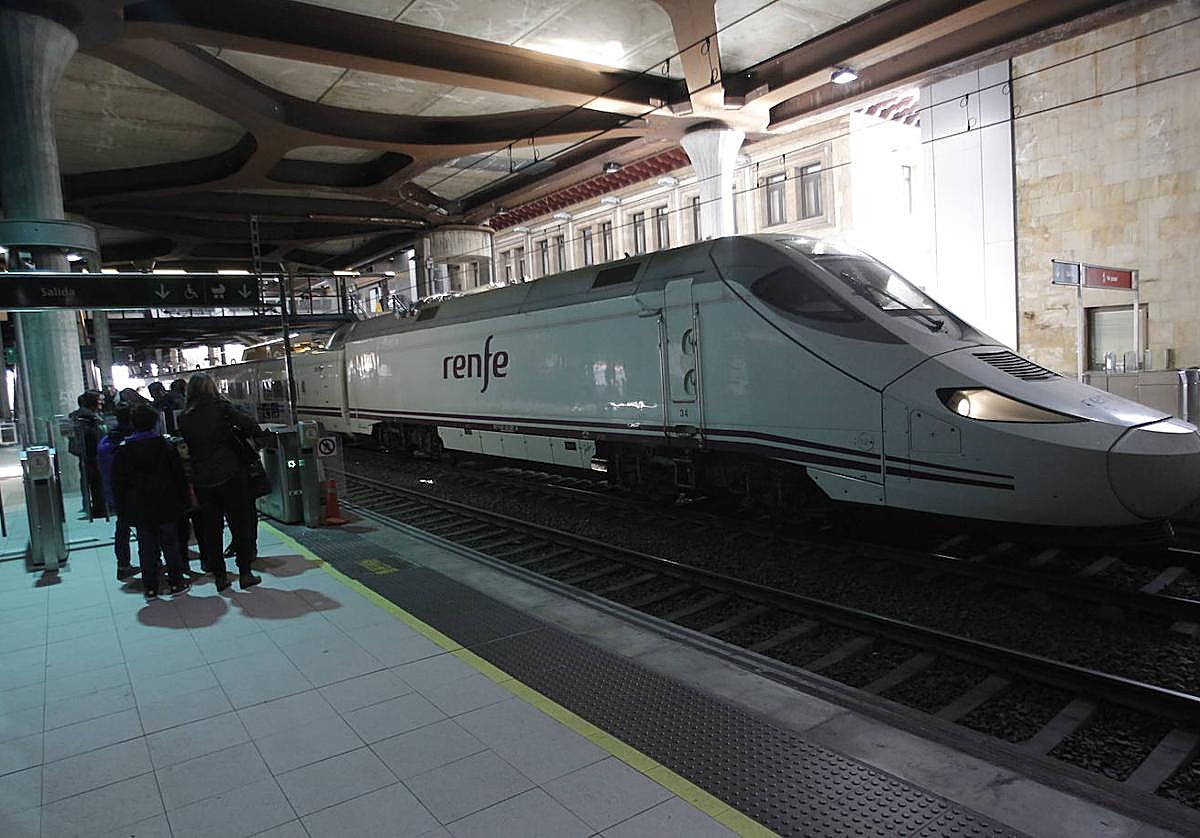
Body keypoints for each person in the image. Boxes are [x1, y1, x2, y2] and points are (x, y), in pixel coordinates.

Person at [178, 372, 262, 592]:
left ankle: (220, 577)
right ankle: (245, 573)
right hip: (231, 474)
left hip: (203, 479)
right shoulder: (222, 409)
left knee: (211, 529)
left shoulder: (184, 416)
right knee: (239, 523)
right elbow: (251, 426)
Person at [113, 404, 191, 601]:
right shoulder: (166, 446)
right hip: (166, 503)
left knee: (146, 546)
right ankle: (176, 582)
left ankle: (150, 587)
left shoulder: (124, 450)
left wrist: (121, 509)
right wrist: (184, 500)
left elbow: (119, 483)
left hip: (139, 506)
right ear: (155, 422)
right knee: (170, 544)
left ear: (133, 424)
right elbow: (178, 477)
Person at [97, 405, 139, 581]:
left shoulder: (106, 441)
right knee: (148, 529)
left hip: (116, 492)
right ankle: (155, 563)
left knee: (122, 528)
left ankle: (123, 565)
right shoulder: (133, 441)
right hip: (136, 491)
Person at [68, 391, 106, 518]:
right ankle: (99, 508)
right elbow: (93, 435)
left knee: (88, 480)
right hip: (92, 453)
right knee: (96, 481)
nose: (102, 402)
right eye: (99, 400)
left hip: (86, 454)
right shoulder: (89, 417)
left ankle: (89, 506)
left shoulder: (81, 415)